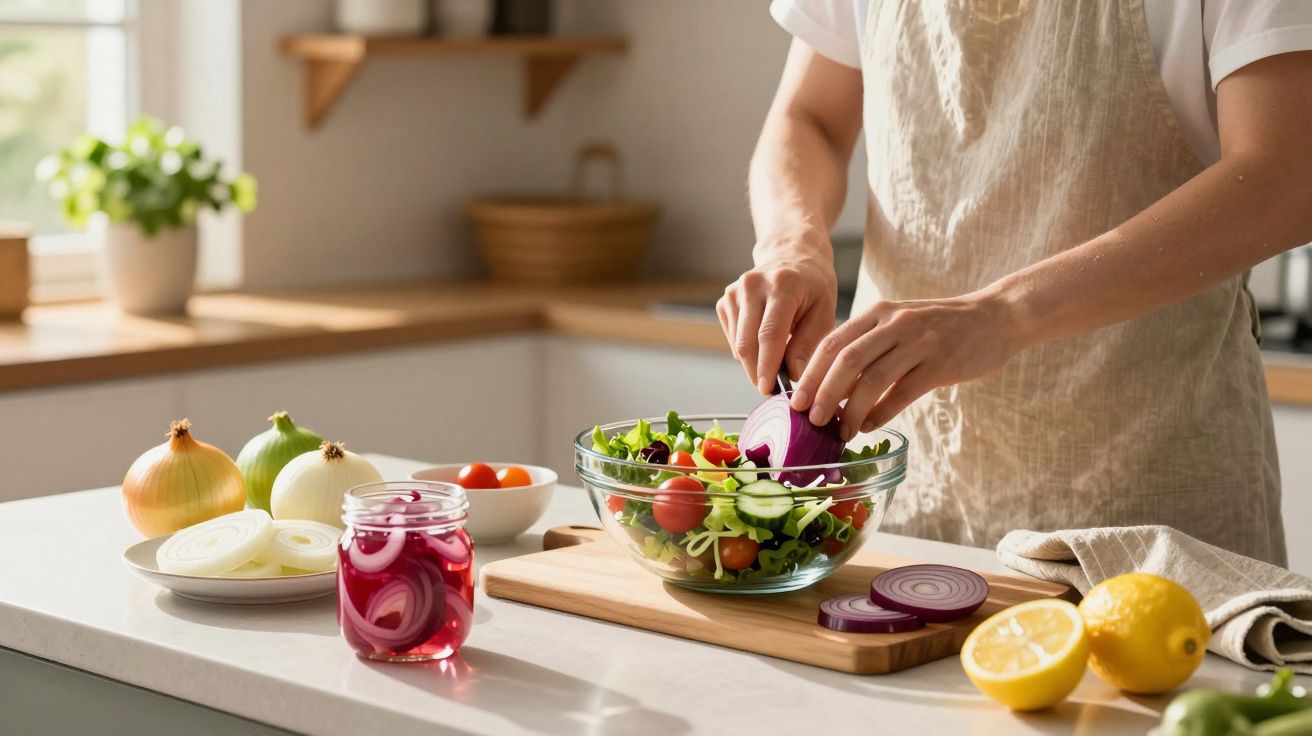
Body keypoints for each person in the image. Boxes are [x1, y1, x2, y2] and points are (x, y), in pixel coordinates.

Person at [719, 0, 1312, 565]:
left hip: (1147, 514)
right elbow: (810, 118)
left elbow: (1287, 175)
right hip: (899, 502)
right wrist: (790, 244)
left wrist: (1002, 314)